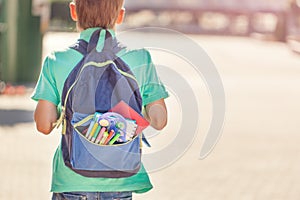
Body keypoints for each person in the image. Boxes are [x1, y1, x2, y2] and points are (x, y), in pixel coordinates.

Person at [32, 0, 169, 199]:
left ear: (73, 11)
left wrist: (68, 115)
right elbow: (160, 120)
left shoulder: (56, 60)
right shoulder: (140, 58)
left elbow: (44, 125)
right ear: (120, 15)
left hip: (71, 180)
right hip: (121, 181)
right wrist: (130, 116)